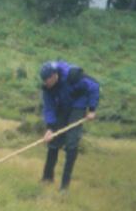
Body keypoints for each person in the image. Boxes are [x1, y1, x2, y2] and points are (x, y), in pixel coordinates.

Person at [39, 61, 99, 191]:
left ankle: (64, 186)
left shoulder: (73, 75)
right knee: (53, 141)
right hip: (63, 105)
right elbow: (49, 108)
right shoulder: (47, 88)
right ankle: (47, 178)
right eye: (44, 80)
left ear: (54, 76)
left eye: (47, 80)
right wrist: (50, 128)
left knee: (71, 142)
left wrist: (92, 109)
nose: (45, 83)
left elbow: (94, 86)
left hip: (78, 104)